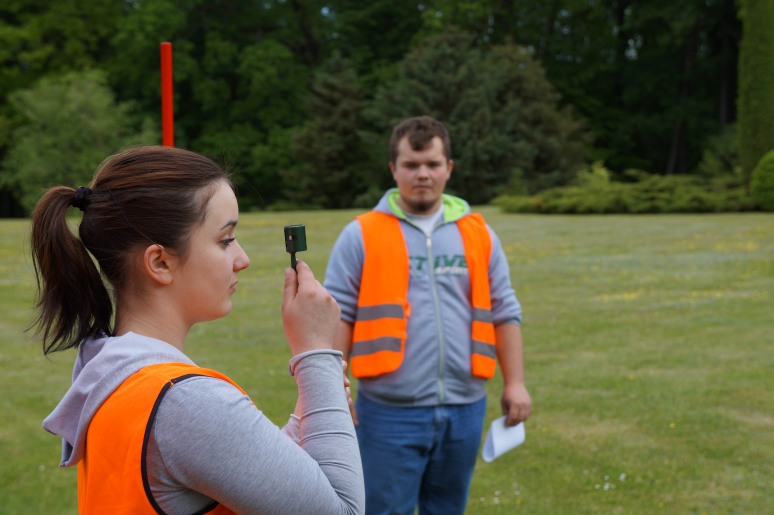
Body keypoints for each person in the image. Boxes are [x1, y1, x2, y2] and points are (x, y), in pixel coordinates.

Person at [31, 145, 364, 514]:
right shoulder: (184, 402)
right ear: (159, 262)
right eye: (225, 240)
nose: (243, 259)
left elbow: (232, 474)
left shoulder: (109, 376)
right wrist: (316, 351)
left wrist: (307, 416)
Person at [323, 116, 532, 514]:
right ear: (393, 169)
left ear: (449, 168)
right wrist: (336, 388)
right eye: (411, 164)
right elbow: (337, 314)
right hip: (388, 412)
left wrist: (516, 383)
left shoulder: (479, 233)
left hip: (465, 408)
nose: (422, 174)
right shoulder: (362, 233)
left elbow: (505, 310)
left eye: (433, 164)